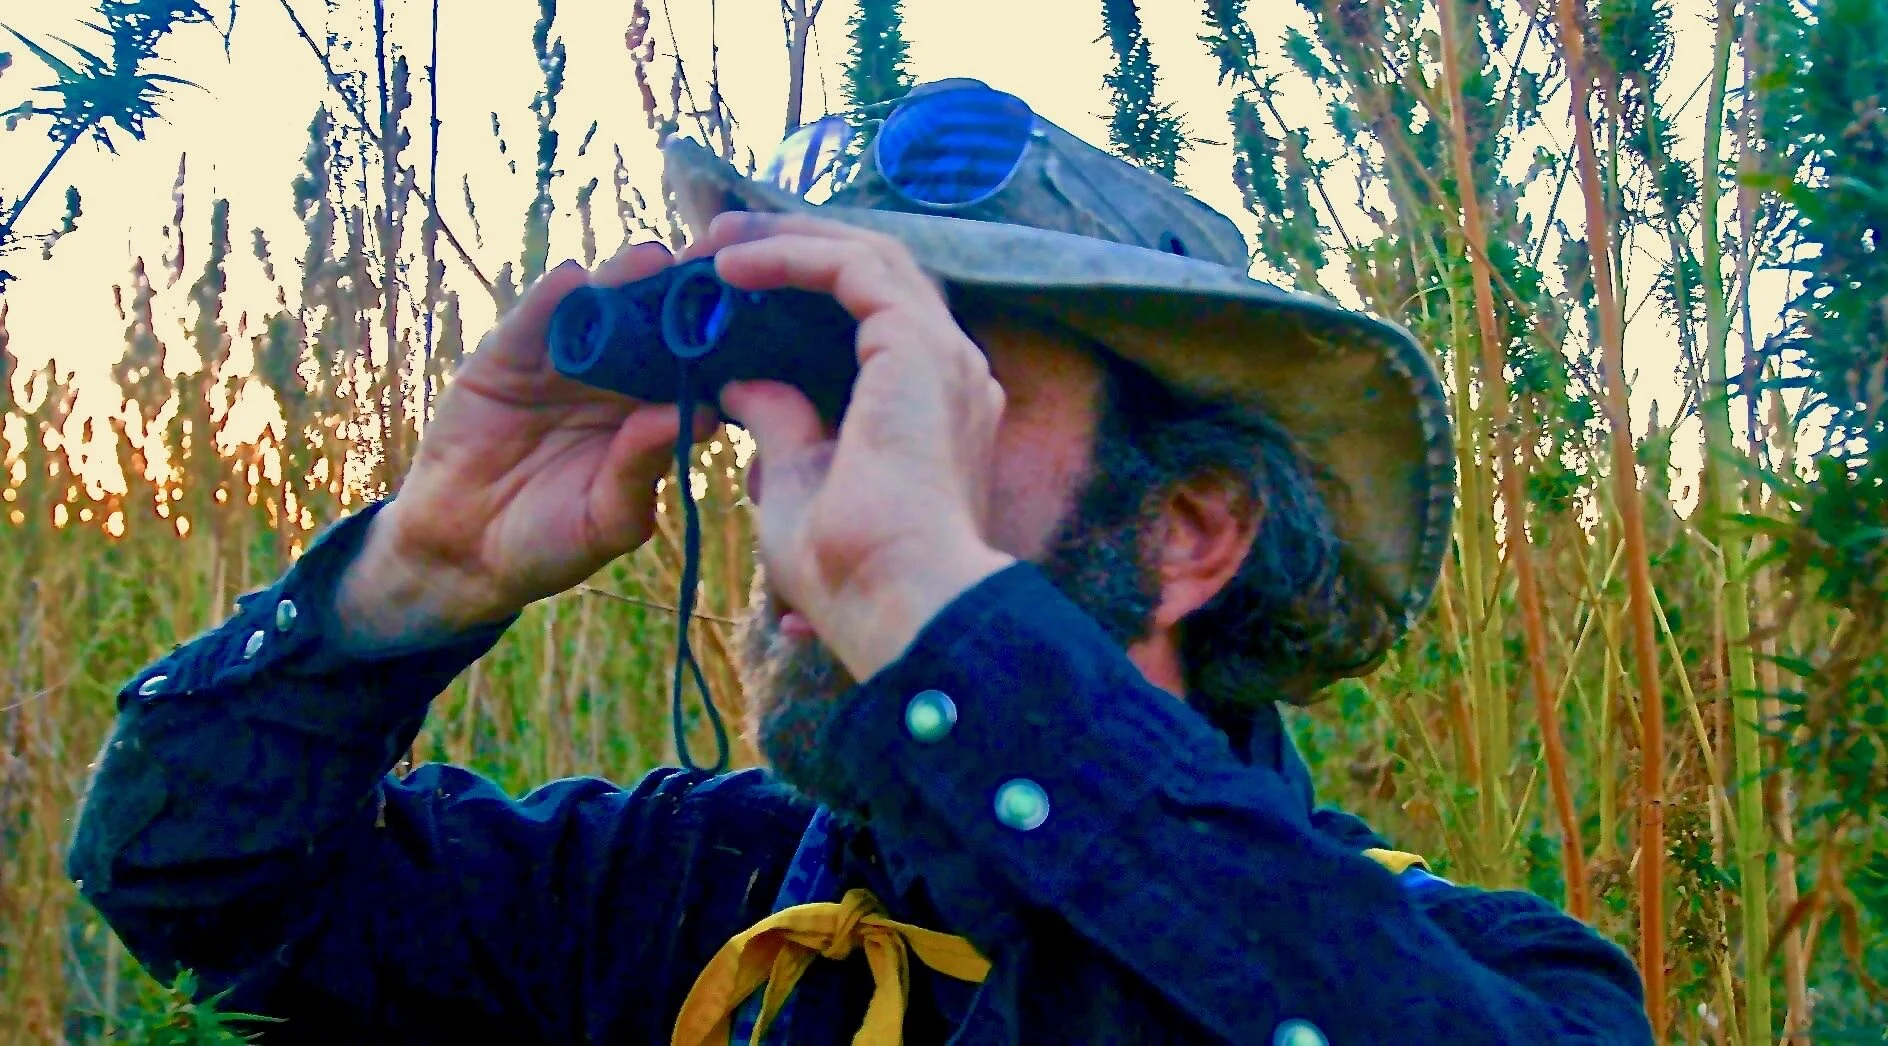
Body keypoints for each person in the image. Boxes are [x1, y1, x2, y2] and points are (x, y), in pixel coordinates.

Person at [68, 80, 1652, 1045]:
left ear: (1187, 532)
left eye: (933, 390)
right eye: (823, 391)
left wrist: (940, 619)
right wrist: (411, 573)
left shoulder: (1468, 970)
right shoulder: (696, 905)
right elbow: (200, 888)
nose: (826, 479)